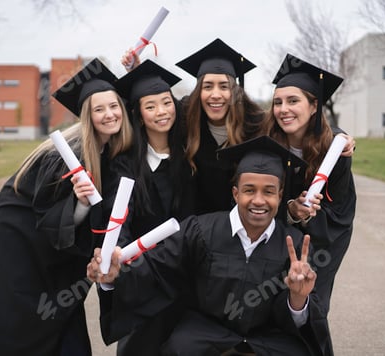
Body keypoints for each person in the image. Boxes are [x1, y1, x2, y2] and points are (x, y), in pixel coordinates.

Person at [88, 135, 334, 356]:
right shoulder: (200, 231)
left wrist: (298, 299)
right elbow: (156, 269)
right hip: (206, 332)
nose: (259, 200)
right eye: (249, 190)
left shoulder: (295, 245)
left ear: (280, 196)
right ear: (236, 193)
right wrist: (115, 276)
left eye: (269, 191)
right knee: (179, 347)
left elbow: (298, 320)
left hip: (267, 337)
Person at [0, 58, 133, 356]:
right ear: (87, 115)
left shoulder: (107, 148)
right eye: (98, 109)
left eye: (114, 106)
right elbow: (50, 213)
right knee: (20, 314)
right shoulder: (67, 154)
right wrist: (81, 202)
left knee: (60, 308)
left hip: (52, 241)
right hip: (19, 237)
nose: (109, 114)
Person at [103, 59, 196, 355]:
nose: (162, 112)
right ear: (139, 115)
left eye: (166, 103)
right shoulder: (125, 164)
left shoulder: (191, 156)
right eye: (151, 106)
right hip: (145, 277)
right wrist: (126, 261)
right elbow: (120, 220)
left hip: (188, 275)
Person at [122, 38, 268, 215]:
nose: (215, 94)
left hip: (246, 220)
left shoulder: (255, 124)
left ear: (235, 91)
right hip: (198, 224)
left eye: (224, 86)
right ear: (199, 91)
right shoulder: (186, 116)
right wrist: (137, 73)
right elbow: (155, 109)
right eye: (207, 86)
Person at [267, 53, 357, 321]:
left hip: (321, 244)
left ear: (314, 106)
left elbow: (340, 214)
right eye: (278, 102)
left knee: (308, 303)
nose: (284, 109)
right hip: (274, 235)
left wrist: (308, 217)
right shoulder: (268, 143)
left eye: (293, 101)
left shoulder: (335, 152)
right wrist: (291, 211)